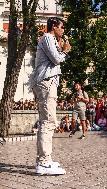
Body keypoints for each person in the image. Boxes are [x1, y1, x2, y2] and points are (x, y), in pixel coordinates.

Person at [31, 17, 71, 175]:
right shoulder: (47, 37)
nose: (63, 30)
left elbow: (55, 57)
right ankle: (43, 162)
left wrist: (61, 49)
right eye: (62, 27)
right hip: (46, 82)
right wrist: (65, 51)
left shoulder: (50, 39)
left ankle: (44, 159)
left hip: (47, 82)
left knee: (47, 121)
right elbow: (56, 59)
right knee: (48, 122)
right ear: (54, 26)